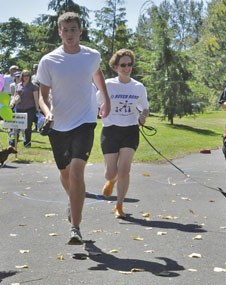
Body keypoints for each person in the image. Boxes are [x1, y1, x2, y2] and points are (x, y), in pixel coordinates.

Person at [38, 11, 111, 245]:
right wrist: (48, 113)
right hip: (59, 123)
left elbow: (97, 75)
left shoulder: (92, 55)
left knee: (78, 171)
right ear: (59, 32)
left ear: (80, 31)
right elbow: (42, 96)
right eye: (65, 30)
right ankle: (73, 201)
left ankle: (75, 228)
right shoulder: (49, 60)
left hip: (85, 120)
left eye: (73, 30)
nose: (69, 34)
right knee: (65, 173)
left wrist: (105, 100)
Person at [98, 49, 149, 219]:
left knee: (125, 170)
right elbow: (97, 103)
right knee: (111, 173)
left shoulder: (138, 87)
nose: (127, 68)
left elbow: (145, 107)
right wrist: (100, 111)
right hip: (111, 129)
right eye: (123, 65)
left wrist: (143, 116)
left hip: (130, 130)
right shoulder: (109, 85)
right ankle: (111, 181)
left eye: (130, 64)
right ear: (115, 67)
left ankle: (119, 205)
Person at [14, 70, 40, 148]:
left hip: (30, 108)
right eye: (24, 76)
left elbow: (36, 99)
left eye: (27, 76)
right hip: (19, 108)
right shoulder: (18, 85)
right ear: (22, 76)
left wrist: (37, 108)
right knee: (17, 126)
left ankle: (27, 143)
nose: (26, 77)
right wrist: (13, 102)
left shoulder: (33, 86)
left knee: (28, 126)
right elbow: (15, 96)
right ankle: (13, 142)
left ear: (30, 77)